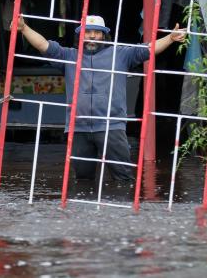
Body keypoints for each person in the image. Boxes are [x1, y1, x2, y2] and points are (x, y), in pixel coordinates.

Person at [17, 14, 185, 181]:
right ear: (80, 35)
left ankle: (121, 208)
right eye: (88, 32)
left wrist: (170, 38)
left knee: (124, 178)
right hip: (79, 127)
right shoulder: (69, 56)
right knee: (82, 179)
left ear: (104, 35)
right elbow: (43, 45)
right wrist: (23, 28)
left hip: (111, 126)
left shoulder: (120, 54)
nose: (92, 36)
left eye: (97, 32)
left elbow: (148, 49)